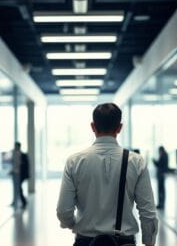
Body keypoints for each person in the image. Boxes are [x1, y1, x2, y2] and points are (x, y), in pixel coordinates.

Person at [57, 103, 158, 246]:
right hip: (124, 242)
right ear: (119, 128)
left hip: (85, 241)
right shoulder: (136, 162)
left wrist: (75, 225)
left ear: (93, 127)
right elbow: (148, 213)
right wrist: (149, 242)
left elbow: (63, 211)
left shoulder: (74, 162)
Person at [11, 142, 29, 209]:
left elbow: (24, 166)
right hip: (15, 173)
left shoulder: (23, 155)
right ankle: (17, 201)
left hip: (20, 174)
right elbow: (14, 164)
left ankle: (23, 201)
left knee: (18, 188)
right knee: (16, 188)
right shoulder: (14, 154)